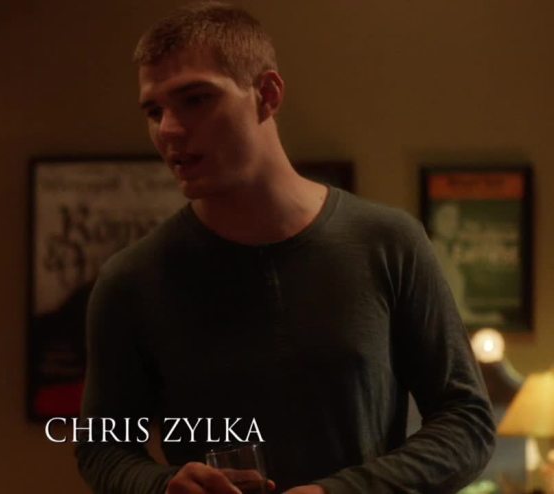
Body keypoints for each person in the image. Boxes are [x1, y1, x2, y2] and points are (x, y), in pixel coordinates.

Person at [75, 2, 495, 493]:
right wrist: (161, 485)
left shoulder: (387, 242)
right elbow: (101, 445)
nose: (168, 129)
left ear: (267, 95)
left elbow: (467, 423)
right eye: (154, 111)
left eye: (195, 99)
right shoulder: (132, 280)